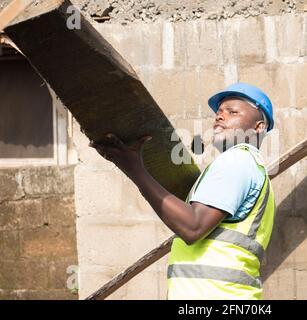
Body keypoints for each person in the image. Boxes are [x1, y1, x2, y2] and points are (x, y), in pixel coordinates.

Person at [90, 82, 276, 300]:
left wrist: (135, 169)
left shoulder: (237, 160)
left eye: (232, 112)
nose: (220, 116)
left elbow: (193, 227)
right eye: (219, 113)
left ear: (258, 127)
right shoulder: (250, 167)